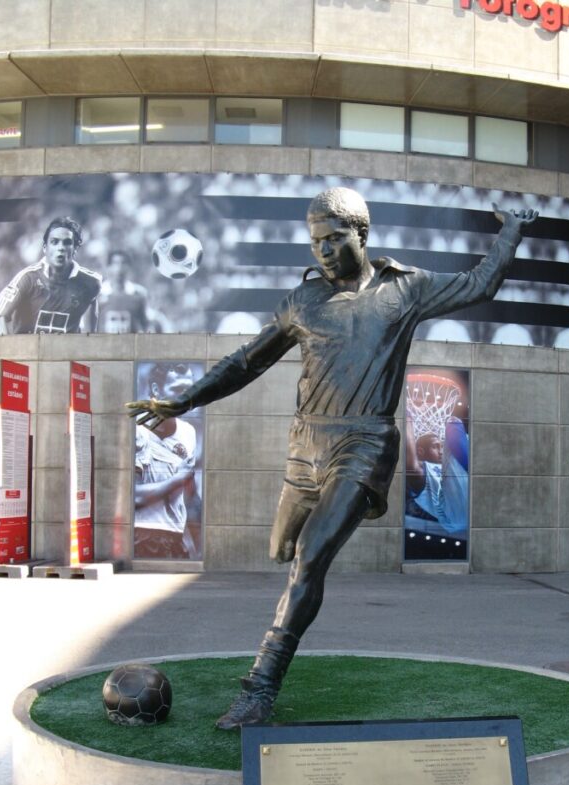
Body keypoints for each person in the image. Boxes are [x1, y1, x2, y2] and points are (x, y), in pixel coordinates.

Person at [128, 187, 537, 728]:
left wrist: (511, 229)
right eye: (315, 240)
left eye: (332, 239)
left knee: (309, 558)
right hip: (306, 448)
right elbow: (247, 361)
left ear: (360, 235)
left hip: (364, 443)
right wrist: (186, 398)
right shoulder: (304, 302)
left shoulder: (404, 290)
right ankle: (283, 612)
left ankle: (260, 689)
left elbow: (481, 283)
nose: (321, 250)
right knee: (282, 550)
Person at [0, 216, 100, 334]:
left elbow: (91, 333)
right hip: (28, 351)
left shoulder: (90, 283)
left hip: (67, 351)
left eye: (67, 243)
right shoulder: (28, 278)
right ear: (45, 248)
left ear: (75, 249)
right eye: (54, 242)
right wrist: (9, 350)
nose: (60, 248)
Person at [134, 363, 199, 560]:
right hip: (145, 534)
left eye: (189, 391)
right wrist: (177, 479)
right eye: (178, 390)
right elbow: (135, 496)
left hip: (175, 535)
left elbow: (189, 494)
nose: (186, 399)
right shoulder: (138, 431)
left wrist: (194, 541)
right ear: (156, 390)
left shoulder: (188, 432)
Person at [405, 415, 469, 535]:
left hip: (471, 511)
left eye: (441, 446)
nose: (441, 451)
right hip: (454, 513)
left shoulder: (447, 466)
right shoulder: (422, 470)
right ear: (420, 451)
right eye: (435, 446)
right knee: (453, 425)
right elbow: (410, 465)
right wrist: (407, 420)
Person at [98, 250, 151, 333]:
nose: (119, 268)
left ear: (129, 267)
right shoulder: (98, 293)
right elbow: (89, 326)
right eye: (115, 263)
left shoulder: (139, 294)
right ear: (109, 267)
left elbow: (145, 325)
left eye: (123, 263)